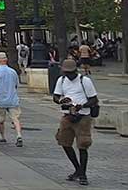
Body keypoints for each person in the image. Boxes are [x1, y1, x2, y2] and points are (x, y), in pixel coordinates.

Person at [52, 58, 98, 186]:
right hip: (67, 116)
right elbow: (55, 96)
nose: (69, 75)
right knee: (64, 142)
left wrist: (81, 106)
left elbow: (94, 99)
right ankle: (77, 169)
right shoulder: (61, 81)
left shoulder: (85, 81)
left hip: (83, 116)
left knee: (83, 144)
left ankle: (83, 173)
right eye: (67, 73)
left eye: (71, 73)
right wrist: (61, 101)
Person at [0, 52, 23, 147]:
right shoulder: (13, 72)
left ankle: (3, 136)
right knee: (15, 119)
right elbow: (16, 85)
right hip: (13, 99)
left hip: (1, 99)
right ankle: (19, 135)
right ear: (6, 59)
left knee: (0, 120)